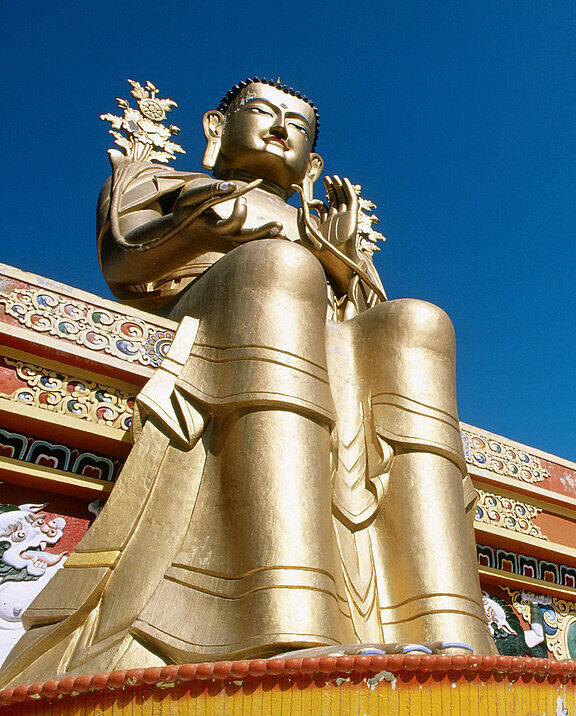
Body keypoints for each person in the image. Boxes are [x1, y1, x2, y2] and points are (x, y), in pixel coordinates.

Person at [0, 78, 491, 687]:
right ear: (214, 129)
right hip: (217, 311)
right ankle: (287, 622)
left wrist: (341, 263)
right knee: (279, 265)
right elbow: (123, 262)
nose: (280, 128)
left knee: (420, 321)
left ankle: (449, 627)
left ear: (311, 164)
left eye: (298, 127)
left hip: (326, 352)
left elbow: (360, 324)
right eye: (263, 112)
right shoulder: (171, 186)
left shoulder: (314, 230)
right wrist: (198, 233)